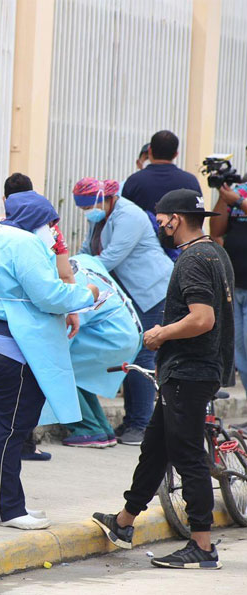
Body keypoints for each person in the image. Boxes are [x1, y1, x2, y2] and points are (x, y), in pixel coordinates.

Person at [93, 188, 234, 570]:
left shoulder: (193, 259)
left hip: (188, 372)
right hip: (191, 372)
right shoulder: (215, 251)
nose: (160, 225)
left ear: (176, 218)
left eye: (162, 219)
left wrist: (161, 334)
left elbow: (202, 318)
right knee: (155, 448)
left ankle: (202, 547)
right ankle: (123, 524)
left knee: (188, 457)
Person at [0, 191, 97, 530]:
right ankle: (7, 509)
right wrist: (87, 295)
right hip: (17, 348)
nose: (53, 232)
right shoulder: (24, 243)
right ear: (35, 221)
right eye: (50, 224)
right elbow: (48, 295)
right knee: (11, 429)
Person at [0, 173, 75, 461]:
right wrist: (80, 302)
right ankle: (7, 496)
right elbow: (58, 281)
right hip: (23, 335)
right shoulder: (35, 236)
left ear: (5, 200)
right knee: (15, 412)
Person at [75, 177, 173, 446]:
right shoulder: (100, 216)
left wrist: (78, 272)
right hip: (131, 293)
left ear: (104, 199)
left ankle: (140, 424)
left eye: (88, 208)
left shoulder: (128, 215)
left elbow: (109, 258)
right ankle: (132, 422)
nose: (87, 214)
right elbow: (87, 251)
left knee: (141, 356)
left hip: (152, 291)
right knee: (130, 356)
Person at [62, 254, 142, 448]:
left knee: (60, 372)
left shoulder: (74, 286)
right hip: (130, 329)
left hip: (112, 336)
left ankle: (89, 430)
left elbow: (63, 334)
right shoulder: (83, 260)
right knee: (79, 376)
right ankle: (104, 430)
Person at [210, 181, 247, 391]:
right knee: (240, 358)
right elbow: (216, 229)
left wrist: (239, 201)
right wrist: (223, 196)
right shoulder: (239, 189)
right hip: (236, 286)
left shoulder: (239, 196)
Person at [121, 130, 201, 215]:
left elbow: (123, 213)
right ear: (176, 154)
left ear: (149, 151)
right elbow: (198, 216)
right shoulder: (190, 182)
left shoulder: (134, 181)